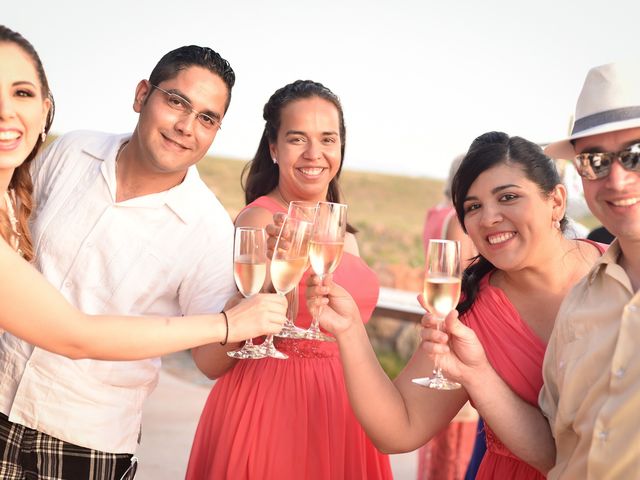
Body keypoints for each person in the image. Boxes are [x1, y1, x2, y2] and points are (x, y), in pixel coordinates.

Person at [0, 27, 286, 480]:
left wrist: (261, 287)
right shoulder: (71, 150)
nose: (186, 127)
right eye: (176, 102)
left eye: (207, 119)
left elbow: (211, 361)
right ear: (141, 96)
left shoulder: (208, 230)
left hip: (84, 440)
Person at [307, 131, 604, 479]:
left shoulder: (620, 271)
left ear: (556, 201)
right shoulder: (470, 312)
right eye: (473, 206)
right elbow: (399, 428)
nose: (489, 218)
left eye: (508, 197)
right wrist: (350, 330)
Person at [186, 80, 392, 479]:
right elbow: (211, 360)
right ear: (274, 148)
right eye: (298, 139)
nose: (315, 154)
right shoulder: (260, 220)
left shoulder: (343, 234)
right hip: (274, 401)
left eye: (328, 139)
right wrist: (268, 283)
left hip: (346, 402)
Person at [538, 61, 640, 478]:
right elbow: (557, 444)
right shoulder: (578, 302)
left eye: (635, 155)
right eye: (594, 161)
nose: (615, 179)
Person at [419, 154, 479, 480]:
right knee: (455, 440)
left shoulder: (434, 214)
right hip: (455, 324)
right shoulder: (458, 220)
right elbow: (463, 278)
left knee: (434, 432)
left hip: (434, 320)